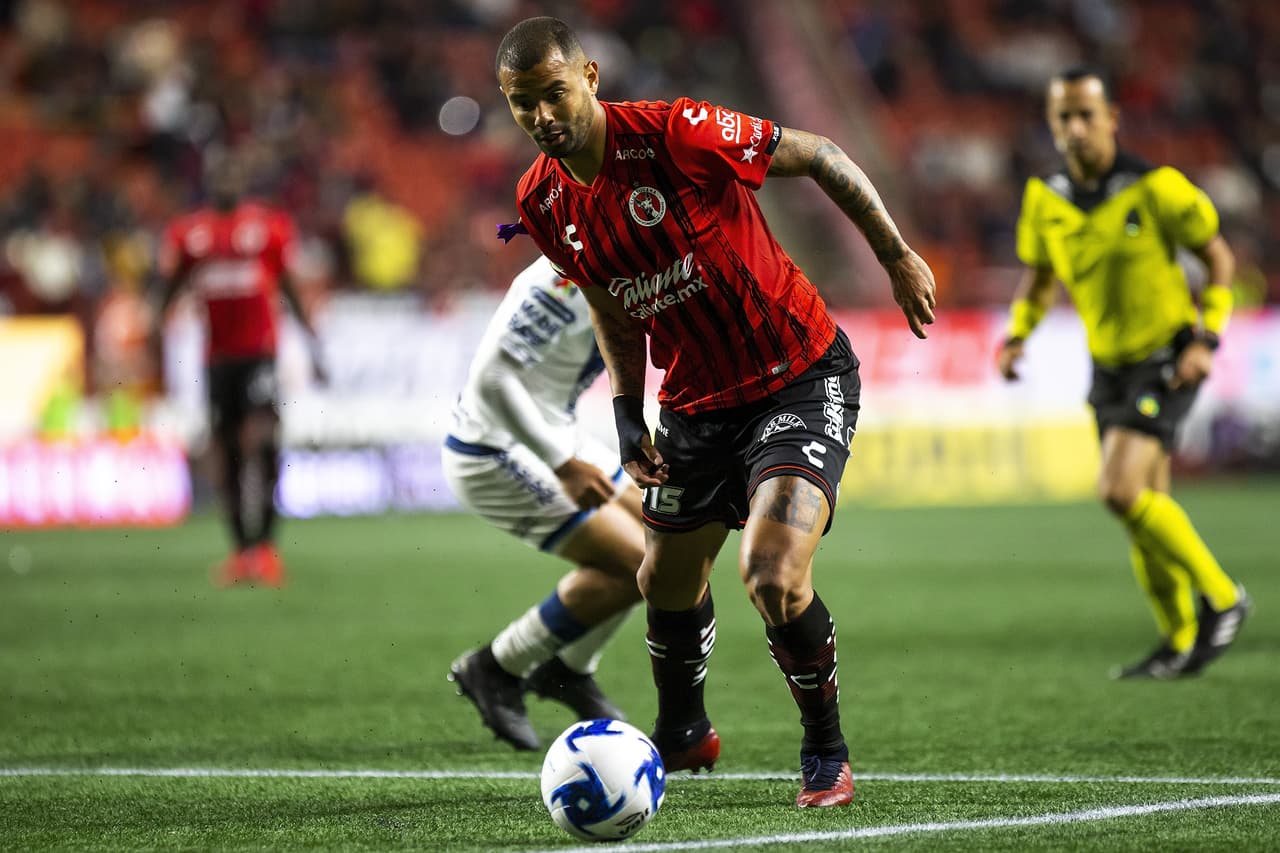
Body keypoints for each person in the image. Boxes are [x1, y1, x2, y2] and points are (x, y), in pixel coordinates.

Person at [494, 17, 936, 808]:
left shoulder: (676, 133)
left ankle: (825, 750)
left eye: (554, 94)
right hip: (696, 402)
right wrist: (627, 410)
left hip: (799, 374)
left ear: (590, 76)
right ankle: (684, 730)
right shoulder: (542, 201)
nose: (543, 117)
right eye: (524, 105)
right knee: (661, 577)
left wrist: (895, 253)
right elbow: (608, 300)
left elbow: (823, 156)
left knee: (770, 572)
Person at [997, 67, 1251, 679]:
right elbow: (1037, 281)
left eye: (1087, 114)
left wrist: (1207, 339)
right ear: (1052, 125)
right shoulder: (1045, 199)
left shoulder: (1156, 187)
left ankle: (1223, 597)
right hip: (1107, 366)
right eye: (1064, 117)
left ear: (1113, 119)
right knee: (1145, 508)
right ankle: (1177, 641)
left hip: (1165, 356)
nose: (1076, 128)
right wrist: (1017, 334)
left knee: (1118, 489)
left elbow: (1219, 258)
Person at [444, 254, 647, 751]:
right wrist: (562, 464)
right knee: (641, 562)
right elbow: (492, 380)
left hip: (558, 431)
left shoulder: (633, 255)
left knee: (670, 539)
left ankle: (569, 669)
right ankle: (495, 667)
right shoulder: (561, 278)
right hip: (495, 450)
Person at [152, 151, 325, 587]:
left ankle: (266, 548)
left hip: (259, 352)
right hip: (217, 358)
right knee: (226, 448)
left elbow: (287, 287)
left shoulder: (269, 227)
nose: (226, 179)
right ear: (208, 180)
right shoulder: (189, 233)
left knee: (264, 438)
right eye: (219, 171)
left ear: (245, 179)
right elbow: (170, 289)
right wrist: (156, 330)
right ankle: (241, 551)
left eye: (234, 171)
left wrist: (312, 342)